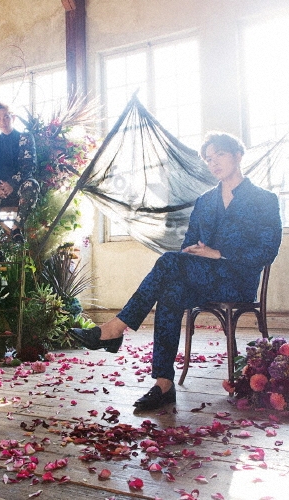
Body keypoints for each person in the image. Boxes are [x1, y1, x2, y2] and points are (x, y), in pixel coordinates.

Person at [70, 131, 282, 410]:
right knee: (171, 290)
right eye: (209, 159)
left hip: (236, 281)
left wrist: (219, 254)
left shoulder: (264, 199)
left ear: (238, 155)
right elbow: (188, 245)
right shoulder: (205, 201)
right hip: (202, 278)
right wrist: (194, 252)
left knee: (169, 262)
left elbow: (267, 250)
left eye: (219, 155)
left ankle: (115, 329)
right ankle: (163, 384)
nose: (213, 163)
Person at [0, 102, 40, 263]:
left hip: (20, 189)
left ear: (13, 118)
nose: (3, 121)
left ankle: (16, 229)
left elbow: (29, 166)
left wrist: (12, 184)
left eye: (6, 117)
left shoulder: (25, 138)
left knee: (32, 185)